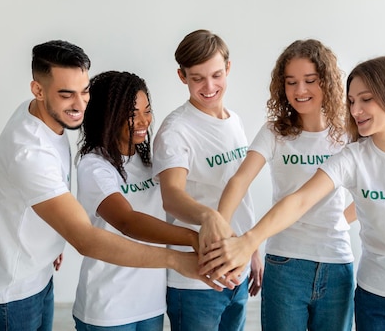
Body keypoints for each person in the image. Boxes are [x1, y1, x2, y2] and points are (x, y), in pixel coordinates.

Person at [200, 56, 385, 331]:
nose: (355, 110)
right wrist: (249, 240)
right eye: (352, 101)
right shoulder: (353, 157)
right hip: (377, 296)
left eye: (366, 100)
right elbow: (300, 200)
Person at [0, 40, 221, 331]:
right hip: (9, 292)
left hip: (38, 274)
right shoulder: (32, 153)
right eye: (66, 94)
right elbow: (88, 237)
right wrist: (180, 256)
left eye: (84, 91)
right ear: (38, 89)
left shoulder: (42, 116)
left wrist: (52, 236)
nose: (80, 103)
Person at [199, 39, 355, 331]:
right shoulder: (275, 132)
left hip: (336, 262)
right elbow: (240, 180)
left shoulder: (347, 134)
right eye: (291, 82)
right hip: (286, 263)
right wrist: (220, 227)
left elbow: (374, 189)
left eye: (310, 81)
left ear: (328, 82)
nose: (300, 91)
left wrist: (341, 222)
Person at [152, 29, 263, 331]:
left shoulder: (235, 121)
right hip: (197, 279)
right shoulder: (176, 129)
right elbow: (171, 195)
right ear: (182, 76)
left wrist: (251, 250)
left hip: (236, 269)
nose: (209, 86)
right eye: (197, 78)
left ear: (228, 68)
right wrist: (208, 217)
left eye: (216, 75)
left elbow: (241, 191)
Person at [73, 70, 201, 330]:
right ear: (108, 115)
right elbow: (127, 221)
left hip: (150, 304)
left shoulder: (149, 161)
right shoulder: (94, 166)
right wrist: (191, 238)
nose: (143, 121)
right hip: (108, 309)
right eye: (132, 114)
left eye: (147, 110)